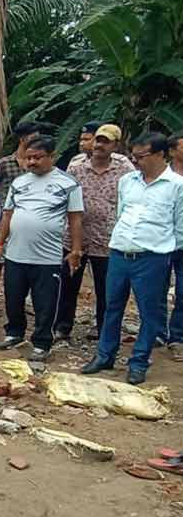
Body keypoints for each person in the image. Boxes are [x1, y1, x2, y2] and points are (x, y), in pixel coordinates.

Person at [81, 133, 183, 384]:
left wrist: (163, 252)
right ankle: (105, 355)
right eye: (134, 156)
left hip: (152, 258)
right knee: (111, 306)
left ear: (160, 155)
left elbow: (180, 227)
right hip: (119, 253)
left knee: (148, 313)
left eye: (141, 156)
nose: (136, 161)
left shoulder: (177, 186)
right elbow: (121, 213)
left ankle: (138, 361)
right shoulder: (128, 181)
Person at [0, 135, 83, 361]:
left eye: (37, 157)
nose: (31, 162)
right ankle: (14, 332)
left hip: (48, 257)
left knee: (45, 303)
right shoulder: (20, 183)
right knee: (13, 298)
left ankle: (42, 342)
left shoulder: (68, 184)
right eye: (29, 157)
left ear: (52, 157)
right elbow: (8, 215)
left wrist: (75, 250)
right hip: (16, 254)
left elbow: (75, 219)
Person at [55, 125, 135, 341]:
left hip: (107, 238)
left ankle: (103, 329)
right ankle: (63, 326)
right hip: (74, 236)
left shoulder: (124, 168)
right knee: (68, 283)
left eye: (105, 141)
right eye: (97, 140)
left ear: (115, 145)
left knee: (105, 287)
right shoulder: (77, 165)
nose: (98, 145)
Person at [0, 122, 43, 313]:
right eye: (34, 137)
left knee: (27, 259)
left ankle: (24, 300)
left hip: (29, 218)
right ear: (23, 139)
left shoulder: (37, 164)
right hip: (4, 217)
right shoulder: (4, 164)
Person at [162, 132, 183, 360]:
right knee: (157, 290)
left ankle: (177, 337)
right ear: (172, 151)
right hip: (161, 242)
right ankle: (157, 333)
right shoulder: (161, 177)